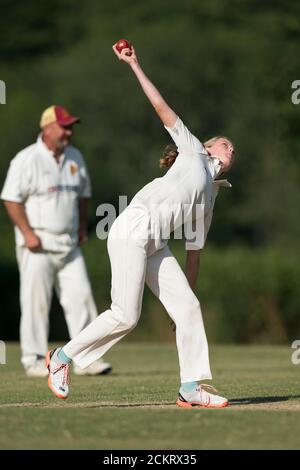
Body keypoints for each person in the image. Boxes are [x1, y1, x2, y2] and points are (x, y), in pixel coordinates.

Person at [46, 44, 235, 408]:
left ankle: (191, 387)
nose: (232, 149)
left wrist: (184, 302)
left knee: (190, 310)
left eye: (234, 150)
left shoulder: (211, 199)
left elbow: (194, 254)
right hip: (133, 228)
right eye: (226, 144)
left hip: (155, 244)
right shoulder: (193, 148)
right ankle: (61, 358)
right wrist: (134, 64)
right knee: (125, 315)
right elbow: (160, 106)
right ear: (210, 148)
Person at [1, 105, 112, 377]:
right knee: (35, 301)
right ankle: (35, 359)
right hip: (37, 242)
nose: (69, 132)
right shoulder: (26, 159)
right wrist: (27, 233)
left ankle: (86, 358)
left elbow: (83, 194)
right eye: (64, 126)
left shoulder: (75, 157)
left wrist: (82, 226)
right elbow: (11, 199)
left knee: (81, 298)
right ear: (47, 128)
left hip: (69, 242)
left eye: (71, 126)